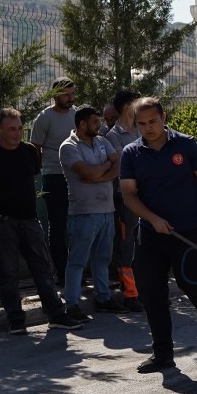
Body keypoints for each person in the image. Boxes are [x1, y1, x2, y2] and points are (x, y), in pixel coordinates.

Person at [119, 98, 197, 373]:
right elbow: (128, 195)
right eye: (141, 124)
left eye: (153, 121)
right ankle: (163, 355)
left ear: (164, 117)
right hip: (150, 235)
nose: (148, 128)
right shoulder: (131, 153)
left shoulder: (185, 145)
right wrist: (152, 218)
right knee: (152, 294)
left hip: (187, 233)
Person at [0, 108, 89, 334]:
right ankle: (15, 319)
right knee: (8, 272)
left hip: (29, 219)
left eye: (19, 128)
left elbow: (32, 177)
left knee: (43, 268)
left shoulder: (28, 151)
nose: (17, 133)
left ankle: (55, 314)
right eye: (11, 129)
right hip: (1, 221)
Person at [60, 105, 122, 316]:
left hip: (107, 210)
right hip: (84, 212)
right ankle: (72, 304)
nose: (100, 125)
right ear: (83, 124)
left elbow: (118, 165)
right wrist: (104, 168)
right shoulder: (68, 147)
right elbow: (86, 171)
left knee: (102, 258)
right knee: (78, 260)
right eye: (96, 122)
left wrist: (99, 175)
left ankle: (103, 297)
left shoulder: (103, 141)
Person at [30, 76, 78, 272]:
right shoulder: (44, 118)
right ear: (55, 95)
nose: (70, 98)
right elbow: (36, 149)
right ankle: (61, 270)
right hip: (53, 176)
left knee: (77, 225)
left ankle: (77, 270)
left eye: (73, 94)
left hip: (77, 176)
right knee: (57, 225)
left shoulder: (77, 115)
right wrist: (37, 173)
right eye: (66, 94)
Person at [104, 89, 143, 310]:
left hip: (147, 195)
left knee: (146, 245)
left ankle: (145, 290)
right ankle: (130, 294)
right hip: (126, 199)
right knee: (127, 245)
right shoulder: (113, 136)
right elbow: (127, 164)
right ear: (127, 107)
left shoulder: (142, 129)